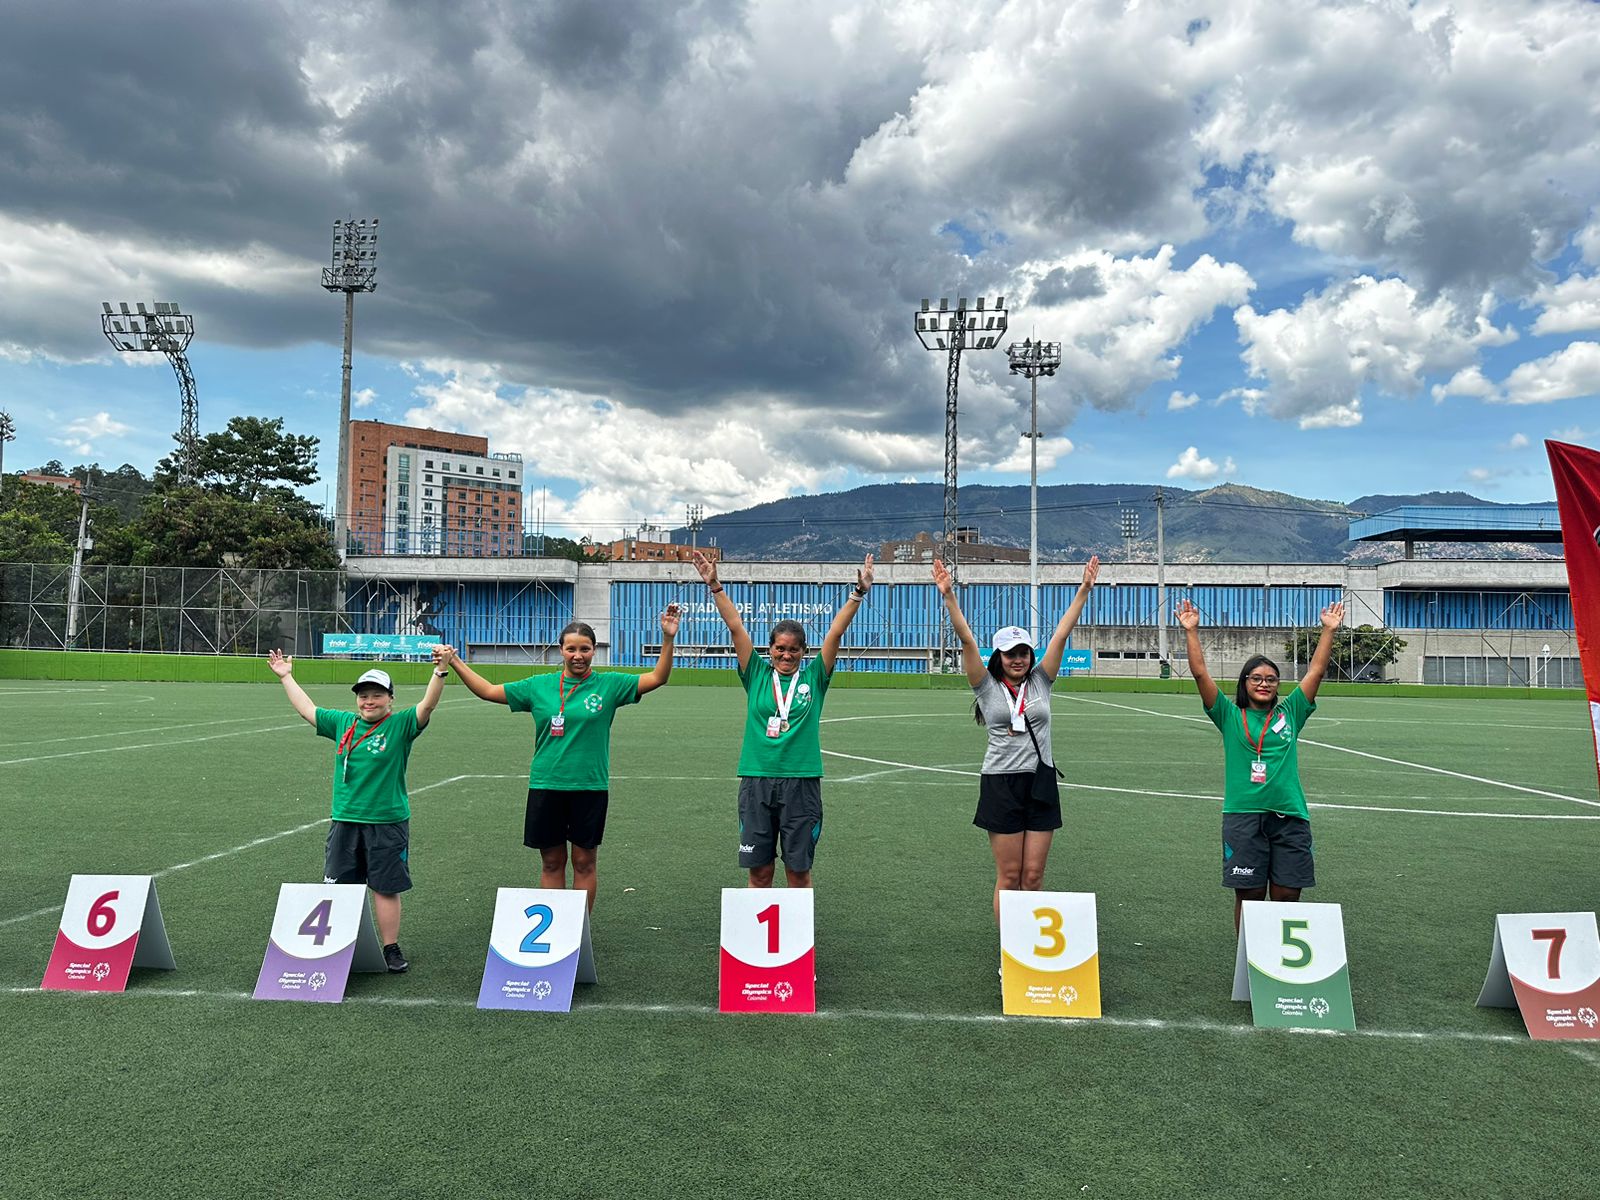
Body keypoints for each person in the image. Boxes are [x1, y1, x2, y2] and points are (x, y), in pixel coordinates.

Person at [437, 609, 679, 910]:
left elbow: (658, 677)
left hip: (589, 786)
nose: (578, 656)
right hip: (546, 784)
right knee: (552, 862)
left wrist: (668, 638)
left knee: (584, 862)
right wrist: (455, 661)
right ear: (561, 650)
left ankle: (580, 929)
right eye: (571, 649)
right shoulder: (538, 686)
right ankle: (557, 933)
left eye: (585, 649)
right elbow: (487, 691)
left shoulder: (610, 685)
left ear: (594, 650)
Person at [691, 549, 873, 888]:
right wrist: (715, 586)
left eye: (793, 649)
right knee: (759, 873)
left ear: (804, 652)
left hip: (801, 783)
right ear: (770, 649)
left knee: (798, 873)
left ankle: (796, 926)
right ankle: (757, 926)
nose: (786, 655)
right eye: (780, 648)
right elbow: (736, 627)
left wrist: (858, 593)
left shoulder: (815, 678)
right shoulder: (756, 674)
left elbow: (834, 634)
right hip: (757, 780)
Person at [934, 556, 1100, 920]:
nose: (1018, 659)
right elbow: (966, 640)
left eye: (1023, 652)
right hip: (1001, 783)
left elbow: (1061, 634)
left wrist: (1084, 590)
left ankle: (1027, 950)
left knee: (1033, 877)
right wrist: (949, 597)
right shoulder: (986, 686)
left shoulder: (1041, 680)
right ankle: (1008, 948)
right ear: (999, 656)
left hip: (1041, 781)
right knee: (1009, 877)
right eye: (1010, 654)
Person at [267, 645, 451, 973]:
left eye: (377, 695)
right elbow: (307, 709)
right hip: (345, 821)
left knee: (385, 888)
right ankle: (339, 947)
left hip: (387, 821)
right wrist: (286, 677)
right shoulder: (343, 723)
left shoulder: (401, 725)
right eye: (363, 696)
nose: (369, 701)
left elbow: (428, 705)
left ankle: (390, 948)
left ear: (390, 699)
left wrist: (440, 671)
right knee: (339, 889)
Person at [1176, 597, 1345, 930]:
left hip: (1290, 816)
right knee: (1250, 895)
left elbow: (1316, 671)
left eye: (1271, 679)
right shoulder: (1228, 714)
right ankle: (1247, 957)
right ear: (1245, 683)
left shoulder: (1291, 712)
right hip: (1243, 816)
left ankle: (1277, 959)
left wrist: (1328, 631)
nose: (1264, 683)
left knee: (1286, 894)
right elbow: (1199, 673)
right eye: (1256, 678)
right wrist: (1191, 631)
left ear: (1278, 685)